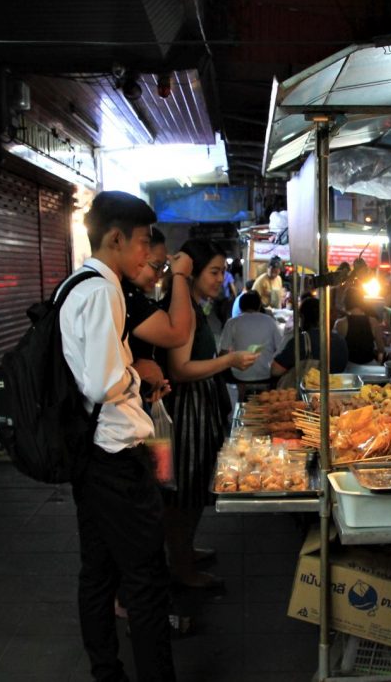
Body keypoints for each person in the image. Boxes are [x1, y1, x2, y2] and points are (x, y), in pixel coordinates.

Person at [59, 190, 176, 681]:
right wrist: (136, 372)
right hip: (115, 458)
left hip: (91, 455)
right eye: (144, 242)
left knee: (98, 572)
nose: (148, 254)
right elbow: (101, 383)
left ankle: (107, 672)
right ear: (115, 238)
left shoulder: (74, 285)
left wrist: (127, 366)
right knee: (145, 580)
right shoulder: (103, 289)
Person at [162, 239, 258, 588]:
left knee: (193, 488)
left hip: (198, 406)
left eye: (222, 271)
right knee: (184, 493)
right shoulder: (183, 307)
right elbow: (181, 368)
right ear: (193, 273)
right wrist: (229, 360)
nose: (221, 279)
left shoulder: (192, 305)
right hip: (188, 412)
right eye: (214, 272)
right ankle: (182, 568)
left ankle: (183, 552)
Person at [124, 228, 194, 403]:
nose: (160, 274)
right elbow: (177, 334)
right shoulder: (124, 295)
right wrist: (179, 275)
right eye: (156, 266)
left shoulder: (130, 294)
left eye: (164, 267)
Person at [219, 291, 283, 395]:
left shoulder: (232, 322)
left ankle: (241, 396)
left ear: (240, 306)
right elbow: (280, 348)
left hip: (239, 376)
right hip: (266, 374)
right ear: (259, 305)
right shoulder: (270, 321)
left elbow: (223, 352)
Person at [272, 296, 349, 378]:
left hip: (308, 389)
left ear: (303, 318)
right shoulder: (340, 340)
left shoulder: (302, 341)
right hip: (336, 388)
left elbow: (275, 370)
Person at [334, 285, 386, 365]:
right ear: (362, 301)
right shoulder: (373, 321)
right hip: (370, 365)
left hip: (349, 366)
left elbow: (336, 349)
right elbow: (381, 349)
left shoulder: (340, 323)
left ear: (345, 302)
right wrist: (379, 363)